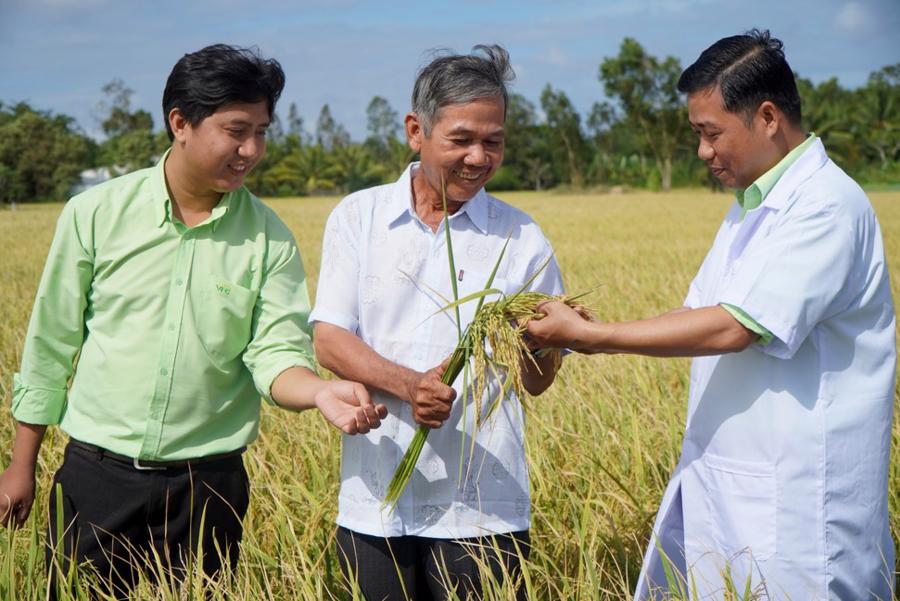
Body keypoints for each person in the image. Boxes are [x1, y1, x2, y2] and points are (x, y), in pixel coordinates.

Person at [0, 44, 386, 598]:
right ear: (180, 122)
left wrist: (321, 393)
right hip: (97, 480)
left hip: (209, 488)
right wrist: (22, 466)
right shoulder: (96, 214)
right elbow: (50, 345)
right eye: (235, 130)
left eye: (261, 131)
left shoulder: (270, 239)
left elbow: (276, 354)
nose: (250, 149)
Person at [526, 30, 896, 601]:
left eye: (710, 133)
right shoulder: (751, 206)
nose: (703, 151)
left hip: (800, 504)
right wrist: (578, 334)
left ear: (767, 116)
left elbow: (735, 325)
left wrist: (595, 337)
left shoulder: (826, 207)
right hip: (737, 487)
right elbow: (702, 311)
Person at [311, 45, 562, 600]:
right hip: (375, 496)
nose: (478, 157)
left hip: (482, 510)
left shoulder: (522, 239)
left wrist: (549, 341)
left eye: (493, 141)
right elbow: (329, 338)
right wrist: (409, 387)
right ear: (415, 131)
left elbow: (538, 382)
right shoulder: (360, 216)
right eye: (461, 140)